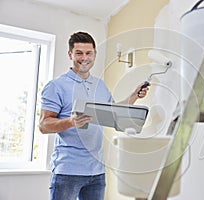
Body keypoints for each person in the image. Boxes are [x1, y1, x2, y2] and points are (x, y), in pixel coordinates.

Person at [39, 31, 150, 200]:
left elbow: (115, 112)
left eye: (88, 53)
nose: (84, 58)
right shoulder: (56, 86)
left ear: (94, 55)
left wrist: (134, 95)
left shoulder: (100, 85)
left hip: (96, 172)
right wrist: (71, 121)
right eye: (79, 53)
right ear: (70, 54)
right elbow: (44, 125)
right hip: (68, 171)